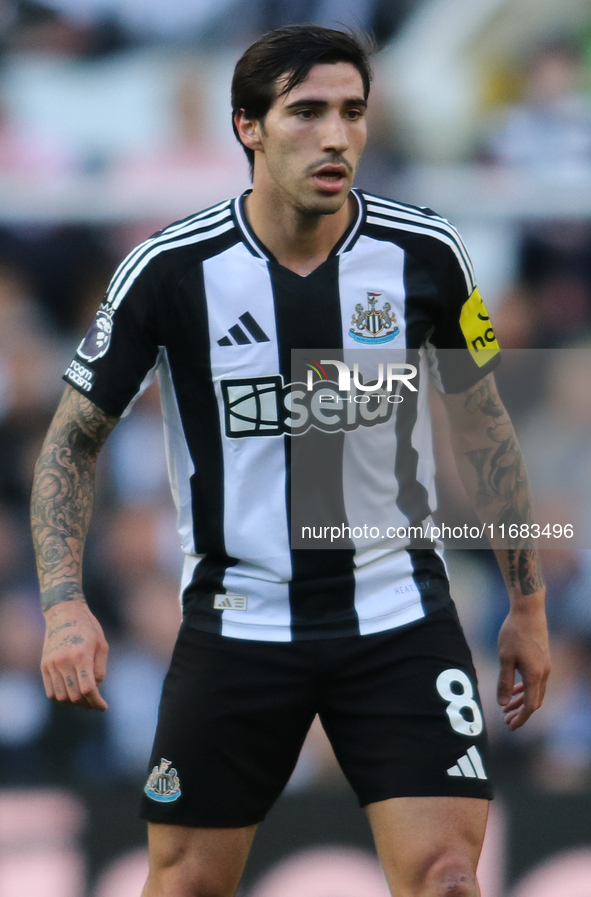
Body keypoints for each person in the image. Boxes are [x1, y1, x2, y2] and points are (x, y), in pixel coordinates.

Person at [31, 25, 550, 897]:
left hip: (397, 617)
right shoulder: (169, 269)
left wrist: (526, 602)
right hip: (237, 627)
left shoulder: (426, 254)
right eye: (306, 112)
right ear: (248, 128)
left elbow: (485, 427)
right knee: (185, 884)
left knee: (450, 877)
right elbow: (71, 440)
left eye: (352, 112)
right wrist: (62, 604)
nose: (336, 135)